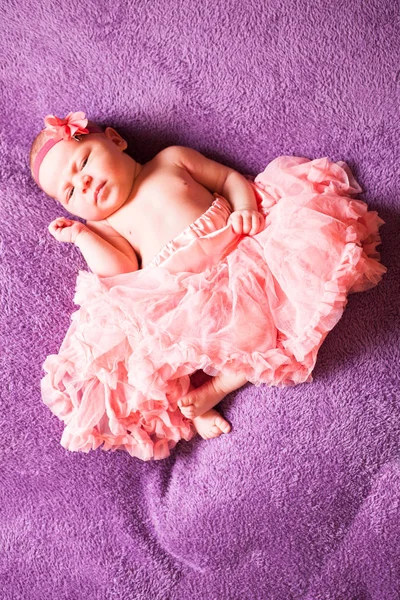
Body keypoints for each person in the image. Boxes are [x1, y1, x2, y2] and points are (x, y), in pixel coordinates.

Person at [31, 111, 387, 460]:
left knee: (260, 329)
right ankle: (194, 401)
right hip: (182, 297)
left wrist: (245, 205)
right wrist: (81, 236)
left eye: (84, 162)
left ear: (116, 140)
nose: (84, 183)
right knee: (155, 356)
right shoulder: (108, 226)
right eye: (70, 192)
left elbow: (228, 179)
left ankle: (218, 387)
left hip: (242, 257)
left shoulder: (170, 161)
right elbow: (119, 272)